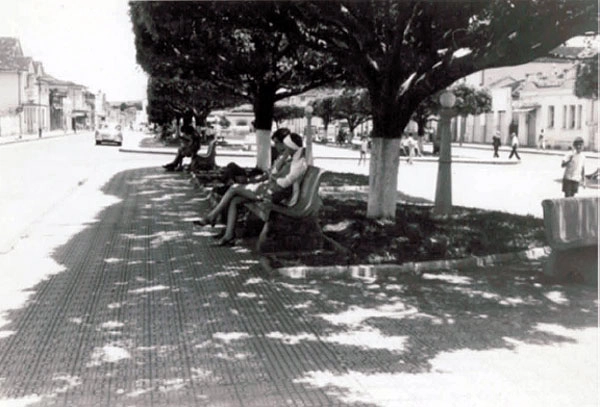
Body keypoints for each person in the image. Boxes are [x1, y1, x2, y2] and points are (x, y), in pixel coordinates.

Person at [194, 132, 308, 246]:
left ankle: (212, 217)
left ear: (292, 147)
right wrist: (281, 162)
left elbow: (284, 182)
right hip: (269, 189)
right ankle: (228, 236)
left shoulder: (299, 163)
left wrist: (274, 178)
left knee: (234, 188)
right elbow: (273, 173)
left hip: (273, 195)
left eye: (287, 147)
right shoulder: (290, 160)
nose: (284, 149)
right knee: (235, 201)